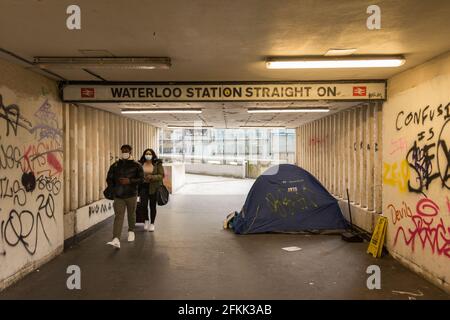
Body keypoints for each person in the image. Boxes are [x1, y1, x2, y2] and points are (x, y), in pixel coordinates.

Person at [106, 144, 144, 249]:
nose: (124, 152)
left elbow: (141, 179)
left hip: (131, 194)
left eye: (126, 151)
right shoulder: (115, 165)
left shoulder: (137, 165)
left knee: (131, 214)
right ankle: (116, 239)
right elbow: (109, 178)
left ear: (130, 152)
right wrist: (114, 188)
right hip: (118, 195)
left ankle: (131, 231)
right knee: (118, 216)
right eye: (123, 151)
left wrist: (130, 181)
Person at [138, 148, 164, 232]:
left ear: (152, 155)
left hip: (153, 187)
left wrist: (152, 177)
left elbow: (161, 175)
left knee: (152, 206)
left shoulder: (157, 163)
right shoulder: (141, 163)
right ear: (144, 155)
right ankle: (146, 220)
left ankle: (152, 223)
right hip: (143, 187)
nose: (148, 155)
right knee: (143, 205)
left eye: (149, 154)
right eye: (146, 154)